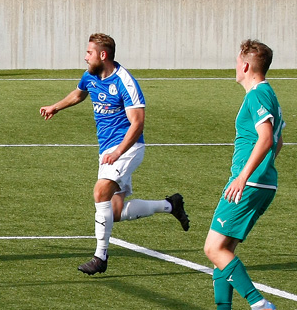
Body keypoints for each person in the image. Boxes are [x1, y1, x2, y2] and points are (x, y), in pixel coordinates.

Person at [40, 33, 190, 275]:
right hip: (108, 150)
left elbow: (137, 123)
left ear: (103, 55)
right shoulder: (90, 75)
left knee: (100, 191)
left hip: (128, 148)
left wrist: (119, 151)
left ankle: (100, 257)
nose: (85, 57)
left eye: (89, 53)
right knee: (116, 211)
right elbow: (79, 93)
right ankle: (170, 205)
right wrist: (55, 107)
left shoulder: (125, 82)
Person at [190, 40, 284, 310]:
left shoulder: (257, 95)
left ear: (245, 66)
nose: (235, 67)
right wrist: (262, 169)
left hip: (250, 183)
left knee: (212, 248)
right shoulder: (270, 95)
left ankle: (259, 305)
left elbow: (267, 138)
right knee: (224, 251)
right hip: (263, 181)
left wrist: (243, 176)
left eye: (236, 62)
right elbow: (279, 141)